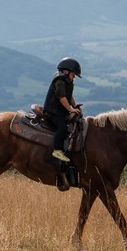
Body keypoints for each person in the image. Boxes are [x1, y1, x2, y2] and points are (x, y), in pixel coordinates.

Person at [43, 57, 82, 190]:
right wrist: (71, 109)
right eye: (73, 75)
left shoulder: (66, 81)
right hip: (53, 112)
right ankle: (57, 150)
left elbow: (69, 96)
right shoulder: (59, 81)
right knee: (62, 128)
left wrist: (75, 106)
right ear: (67, 72)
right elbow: (62, 97)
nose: (74, 78)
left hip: (60, 112)